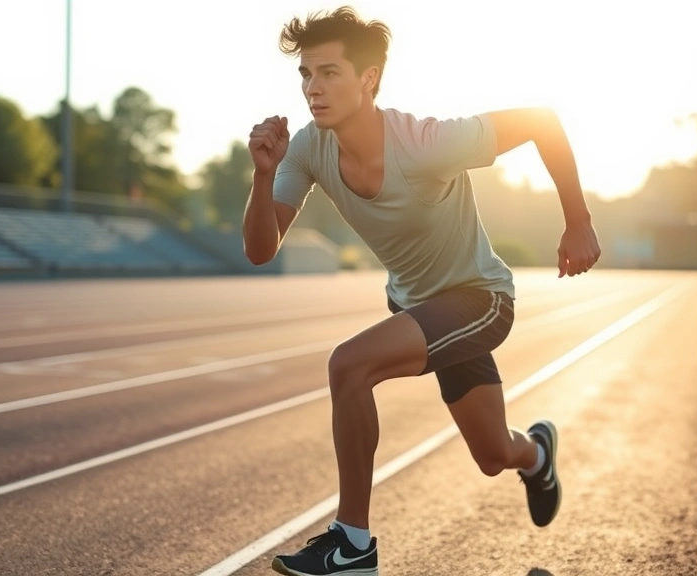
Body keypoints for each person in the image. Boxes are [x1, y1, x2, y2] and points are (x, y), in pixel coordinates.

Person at [242, 6, 602, 576]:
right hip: (419, 307)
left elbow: (543, 120)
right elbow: (261, 249)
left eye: (330, 73)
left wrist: (577, 221)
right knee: (492, 455)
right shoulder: (308, 149)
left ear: (369, 79)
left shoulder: (427, 143)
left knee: (349, 366)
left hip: (481, 301)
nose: (314, 88)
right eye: (306, 75)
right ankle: (536, 455)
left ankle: (352, 545)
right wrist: (263, 176)